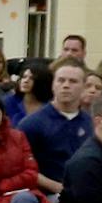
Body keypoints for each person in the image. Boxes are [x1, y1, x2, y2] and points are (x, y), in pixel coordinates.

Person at [19, 60, 94, 194]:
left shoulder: (91, 124)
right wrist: (57, 187)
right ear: (53, 85)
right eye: (61, 80)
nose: (66, 85)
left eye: (73, 81)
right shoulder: (32, 124)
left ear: (84, 87)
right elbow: (21, 166)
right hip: (49, 196)